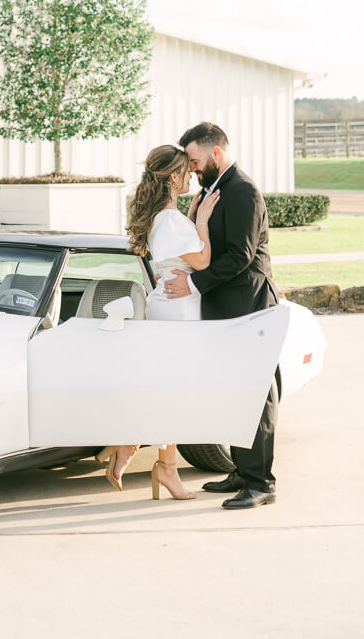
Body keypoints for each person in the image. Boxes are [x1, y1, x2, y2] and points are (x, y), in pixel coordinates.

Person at [162, 122, 279, 510]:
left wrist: (193, 284)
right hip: (225, 308)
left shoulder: (243, 191)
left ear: (216, 152)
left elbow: (241, 256)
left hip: (249, 308)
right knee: (233, 392)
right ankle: (242, 471)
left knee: (257, 395)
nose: (191, 168)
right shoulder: (211, 191)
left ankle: (261, 483)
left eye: (194, 160)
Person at [103, 144, 219, 500]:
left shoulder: (164, 216)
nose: (192, 176)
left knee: (169, 390)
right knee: (176, 392)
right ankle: (155, 461)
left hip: (170, 306)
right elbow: (200, 261)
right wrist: (201, 222)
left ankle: (138, 448)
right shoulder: (170, 219)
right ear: (173, 176)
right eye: (187, 170)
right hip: (178, 313)